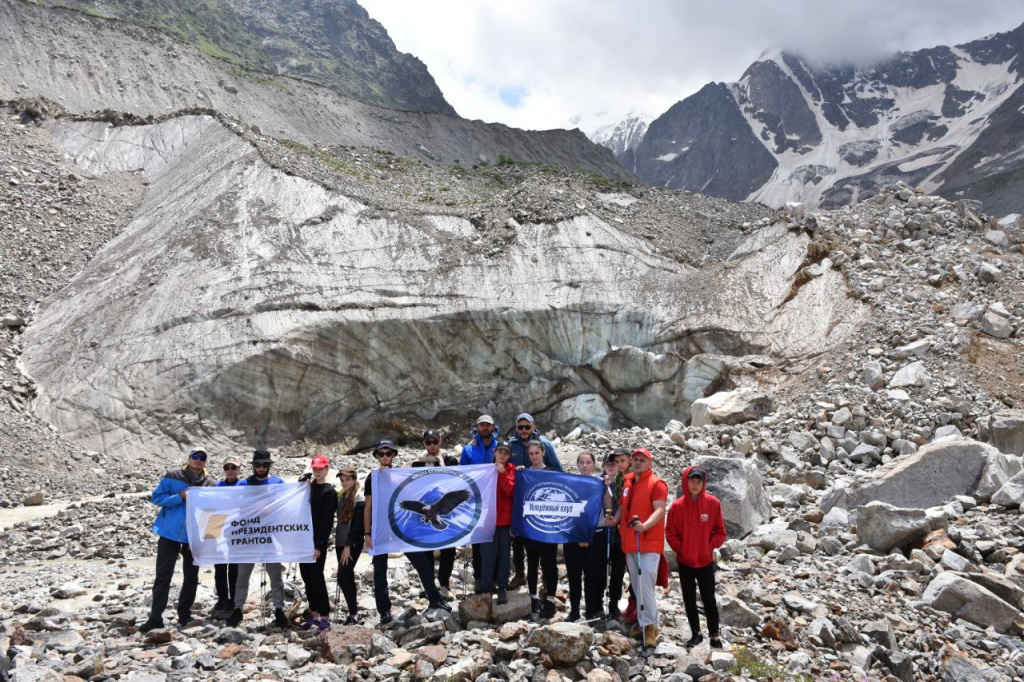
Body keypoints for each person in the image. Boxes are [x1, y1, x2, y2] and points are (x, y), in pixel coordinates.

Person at [364, 440, 452, 626]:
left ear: (394, 455)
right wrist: (367, 532)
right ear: (377, 457)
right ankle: (384, 610)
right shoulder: (372, 478)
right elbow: (368, 506)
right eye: (382, 454)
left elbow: (416, 492)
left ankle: (435, 598)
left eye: (389, 453)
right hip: (380, 528)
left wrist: (405, 473)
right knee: (380, 569)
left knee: (421, 562)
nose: (385, 457)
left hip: (401, 526)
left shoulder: (402, 474)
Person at [139, 446, 215, 632]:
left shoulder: (210, 483)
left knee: (191, 577)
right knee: (163, 576)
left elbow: (214, 511)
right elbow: (156, 498)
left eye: (202, 457)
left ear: (206, 461)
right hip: (169, 533)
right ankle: (155, 617)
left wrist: (211, 536)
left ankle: (185, 615)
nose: (198, 459)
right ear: (189, 458)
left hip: (193, 537)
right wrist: (179, 497)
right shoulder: (172, 475)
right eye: (195, 456)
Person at [666, 465, 727, 649]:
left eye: (699, 481)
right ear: (686, 481)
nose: (695, 484)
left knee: (709, 598)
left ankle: (714, 634)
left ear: (703, 483)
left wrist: (708, 547)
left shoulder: (713, 503)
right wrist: (681, 549)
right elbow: (671, 533)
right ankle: (696, 633)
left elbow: (720, 532)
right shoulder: (677, 506)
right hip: (685, 561)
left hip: (705, 561)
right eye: (692, 480)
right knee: (689, 598)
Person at [227, 450, 288, 629]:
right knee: (242, 575)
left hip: (271, 535)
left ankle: (279, 609)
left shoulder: (278, 482)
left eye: (264, 465)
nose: (261, 468)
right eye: (258, 465)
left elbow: (285, 504)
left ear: (269, 466)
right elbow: (235, 505)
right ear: (253, 466)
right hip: (249, 536)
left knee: (275, 575)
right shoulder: (244, 484)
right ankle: (238, 608)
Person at [615, 447, 667, 645]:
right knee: (637, 587)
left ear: (649, 463)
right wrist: (615, 520)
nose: (637, 463)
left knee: (645, 587)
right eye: (635, 459)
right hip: (631, 542)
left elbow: (660, 510)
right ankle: (643, 625)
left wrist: (644, 525)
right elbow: (622, 507)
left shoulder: (657, 484)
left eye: (642, 460)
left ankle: (650, 629)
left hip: (648, 543)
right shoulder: (628, 482)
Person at [507, 413, 562, 589]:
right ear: (517, 428)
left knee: (542, 540)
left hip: (541, 500)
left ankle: (546, 580)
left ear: (533, 427)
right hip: (519, 497)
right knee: (518, 540)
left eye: (527, 427)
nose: (523, 430)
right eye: (520, 427)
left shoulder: (544, 443)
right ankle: (520, 574)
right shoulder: (511, 444)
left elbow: (559, 471)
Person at [563, 451, 608, 620]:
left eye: (588, 462)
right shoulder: (570, 483)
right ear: (577, 464)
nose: (584, 465)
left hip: (596, 536)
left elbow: (608, 506)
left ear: (594, 464)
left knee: (592, 575)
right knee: (574, 575)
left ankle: (590, 611)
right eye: (581, 462)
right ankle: (574, 610)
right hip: (573, 536)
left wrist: (607, 487)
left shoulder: (601, 483)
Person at [519, 440, 558, 619]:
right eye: (531, 453)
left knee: (549, 563)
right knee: (532, 562)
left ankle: (550, 599)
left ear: (543, 453)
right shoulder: (524, 473)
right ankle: (533, 597)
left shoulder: (552, 473)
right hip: (531, 526)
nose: (534, 456)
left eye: (537, 453)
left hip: (548, 527)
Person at [299, 455, 337, 632]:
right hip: (303, 540)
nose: (318, 471)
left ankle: (324, 617)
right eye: (315, 469)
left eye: (321, 469)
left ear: (327, 469)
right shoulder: (307, 488)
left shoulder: (329, 492)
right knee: (306, 578)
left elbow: (326, 522)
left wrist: (319, 545)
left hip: (316, 543)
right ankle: (313, 615)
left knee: (317, 579)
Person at [478, 441, 515, 603]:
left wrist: (502, 473)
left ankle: (502, 587)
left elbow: (511, 491)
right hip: (487, 521)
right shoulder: (485, 469)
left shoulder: (511, 469)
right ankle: (486, 587)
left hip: (505, 521)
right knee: (487, 555)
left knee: (504, 556)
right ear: (494, 452)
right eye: (500, 451)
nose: (502, 455)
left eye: (505, 453)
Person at [422, 429, 456, 596]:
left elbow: (459, 481)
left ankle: (444, 582)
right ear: (424, 444)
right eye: (429, 442)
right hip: (425, 511)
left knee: (449, 550)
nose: (432, 445)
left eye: (435, 441)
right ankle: (429, 585)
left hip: (446, 510)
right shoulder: (418, 463)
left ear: (440, 441)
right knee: (426, 548)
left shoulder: (451, 460)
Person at [212, 455, 242, 620]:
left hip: (237, 530)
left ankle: (233, 599)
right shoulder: (217, 486)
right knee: (220, 567)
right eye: (227, 468)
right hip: (219, 527)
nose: (230, 470)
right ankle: (221, 598)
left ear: (239, 469)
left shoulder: (244, 485)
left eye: (233, 467)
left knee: (235, 568)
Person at [335, 466, 365, 624]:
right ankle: (354, 612)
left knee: (342, 577)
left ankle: (353, 614)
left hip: (351, 544)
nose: (344, 483)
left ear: (354, 480)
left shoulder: (359, 499)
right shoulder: (341, 495)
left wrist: (348, 546)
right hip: (339, 542)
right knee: (348, 577)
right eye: (342, 480)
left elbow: (357, 526)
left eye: (347, 479)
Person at [602, 450, 630, 619]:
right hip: (602, 534)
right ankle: (598, 603)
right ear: (603, 466)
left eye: (615, 463)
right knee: (601, 570)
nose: (612, 466)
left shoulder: (623, 480)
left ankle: (614, 603)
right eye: (609, 463)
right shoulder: (599, 481)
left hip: (619, 534)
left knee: (618, 571)